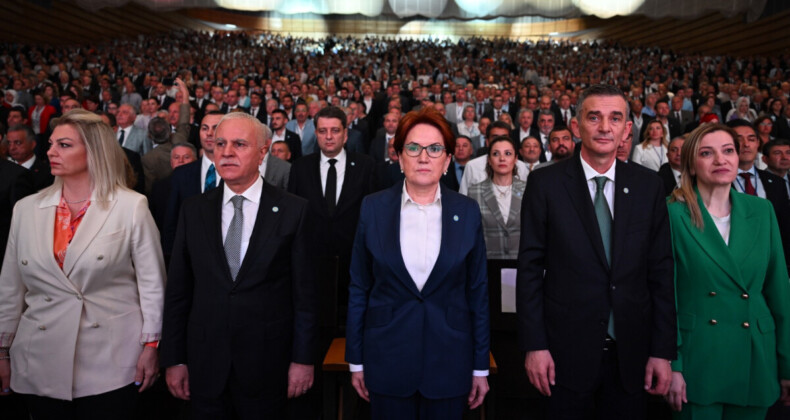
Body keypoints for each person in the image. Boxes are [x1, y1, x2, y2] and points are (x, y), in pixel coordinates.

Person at [518, 84, 676, 418]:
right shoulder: (545, 184)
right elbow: (530, 270)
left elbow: (661, 273)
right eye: (594, 117)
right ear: (576, 126)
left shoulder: (650, 186)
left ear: (626, 129)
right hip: (564, 355)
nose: (605, 127)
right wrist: (535, 345)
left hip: (631, 354)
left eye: (615, 118)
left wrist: (663, 352)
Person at [0, 109, 165, 418]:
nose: (50, 151)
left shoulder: (131, 206)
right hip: (39, 358)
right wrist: (2, 351)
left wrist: (151, 346)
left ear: (94, 152)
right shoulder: (25, 209)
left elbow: (152, 285)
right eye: (51, 143)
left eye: (64, 145)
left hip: (110, 360)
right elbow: (9, 289)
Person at [160, 112, 318, 419]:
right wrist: (175, 359)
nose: (227, 152)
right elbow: (179, 291)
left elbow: (306, 297)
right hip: (205, 365)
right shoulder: (193, 210)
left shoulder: (294, 211)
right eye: (220, 143)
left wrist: (303, 359)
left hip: (268, 364)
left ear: (263, 151)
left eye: (239, 144)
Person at [346, 106, 490, 418]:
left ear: (448, 159)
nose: (423, 157)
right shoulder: (373, 208)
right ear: (398, 156)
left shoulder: (467, 212)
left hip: (450, 362)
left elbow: (477, 292)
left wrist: (480, 366)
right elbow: (359, 286)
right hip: (386, 360)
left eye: (435, 148)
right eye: (413, 148)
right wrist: (355, 359)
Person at [665, 123, 790, 419]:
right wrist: (674, 365)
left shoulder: (762, 210)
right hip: (698, 358)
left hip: (756, 355)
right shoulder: (672, 213)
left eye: (728, 151)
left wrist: (787, 364)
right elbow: (665, 297)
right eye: (707, 153)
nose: (721, 160)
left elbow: (779, 293)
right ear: (692, 165)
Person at [467, 135, 525, 259]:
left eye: (508, 153)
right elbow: (470, 234)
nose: (502, 158)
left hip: (522, 265)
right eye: (496, 154)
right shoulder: (474, 192)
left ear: (515, 159)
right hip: (487, 265)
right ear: (489, 160)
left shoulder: (528, 190)